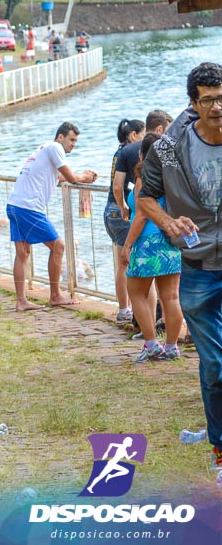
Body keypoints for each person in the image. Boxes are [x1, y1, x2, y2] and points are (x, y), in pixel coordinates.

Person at [138, 63, 222, 469]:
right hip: (199, 266)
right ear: (193, 103)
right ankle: (221, 451)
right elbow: (145, 197)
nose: (218, 107)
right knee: (215, 365)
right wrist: (169, 222)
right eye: (208, 99)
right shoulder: (169, 149)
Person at [6, 122, 98, 311]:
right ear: (60, 137)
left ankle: (21, 301)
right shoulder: (55, 147)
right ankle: (55, 296)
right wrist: (81, 176)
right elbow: (71, 177)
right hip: (28, 207)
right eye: (71, 140)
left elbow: (58, 177)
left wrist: (81, 176)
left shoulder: (45, 149)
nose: (74, 144)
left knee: (22, 253)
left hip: (14, 204)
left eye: (76, 141)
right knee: (58, 246)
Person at [121, 135, 182, 363]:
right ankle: (172, 346)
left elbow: (142, 215)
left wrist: (127, 245)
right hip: (170, 239)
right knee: (171, 296)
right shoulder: (174, 175)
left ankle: (151, 344)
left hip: (147, 241)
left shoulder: (144, 175)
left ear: (142, 154)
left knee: (136, 291)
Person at [104, 119, 145, 325]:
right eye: (142, 135)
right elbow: (119, 187)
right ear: (134, 135)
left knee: (122, 263)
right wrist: (124, 207)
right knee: (128, 263)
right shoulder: (132, 152)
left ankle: (124, 309)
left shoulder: (119, 152)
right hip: (122, 209)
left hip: (109, 209)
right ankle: (131, 311)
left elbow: (115, 184)